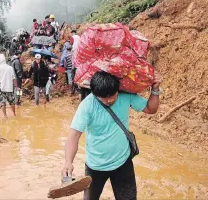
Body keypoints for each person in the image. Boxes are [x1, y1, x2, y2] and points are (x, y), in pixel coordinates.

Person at [62, 71, 162, 200]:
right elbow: (73, 136)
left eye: (113, 96)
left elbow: (151, 109)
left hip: (123, 162)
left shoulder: (125, 96)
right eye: (104, 98)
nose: (109, 100)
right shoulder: (87, 106)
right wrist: (68, 162)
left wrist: (155, 90)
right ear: (95, 94)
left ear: (117, 90)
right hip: (95, 166)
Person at [0, 54, 17, 118]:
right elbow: (14, 79)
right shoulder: (10, 68)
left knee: (3, 103)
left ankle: (5, 116)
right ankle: (14, 114)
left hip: (0, 88)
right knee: (12, 102)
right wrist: (16, 87)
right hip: (9, 88)